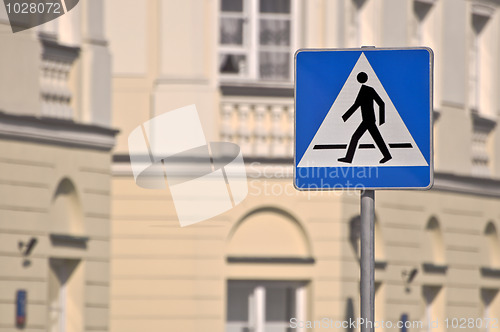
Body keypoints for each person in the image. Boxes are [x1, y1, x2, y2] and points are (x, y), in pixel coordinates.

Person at [338, 72, 392, 164]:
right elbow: (357, 105)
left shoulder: (366, 90)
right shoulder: (366, 90)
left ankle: (349, 158)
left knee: (356, 137)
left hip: (369, 120)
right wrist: (345, 117)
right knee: (375, 138)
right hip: (367, 119)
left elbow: (381, 103)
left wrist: (382, 120)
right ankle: (387, 156)